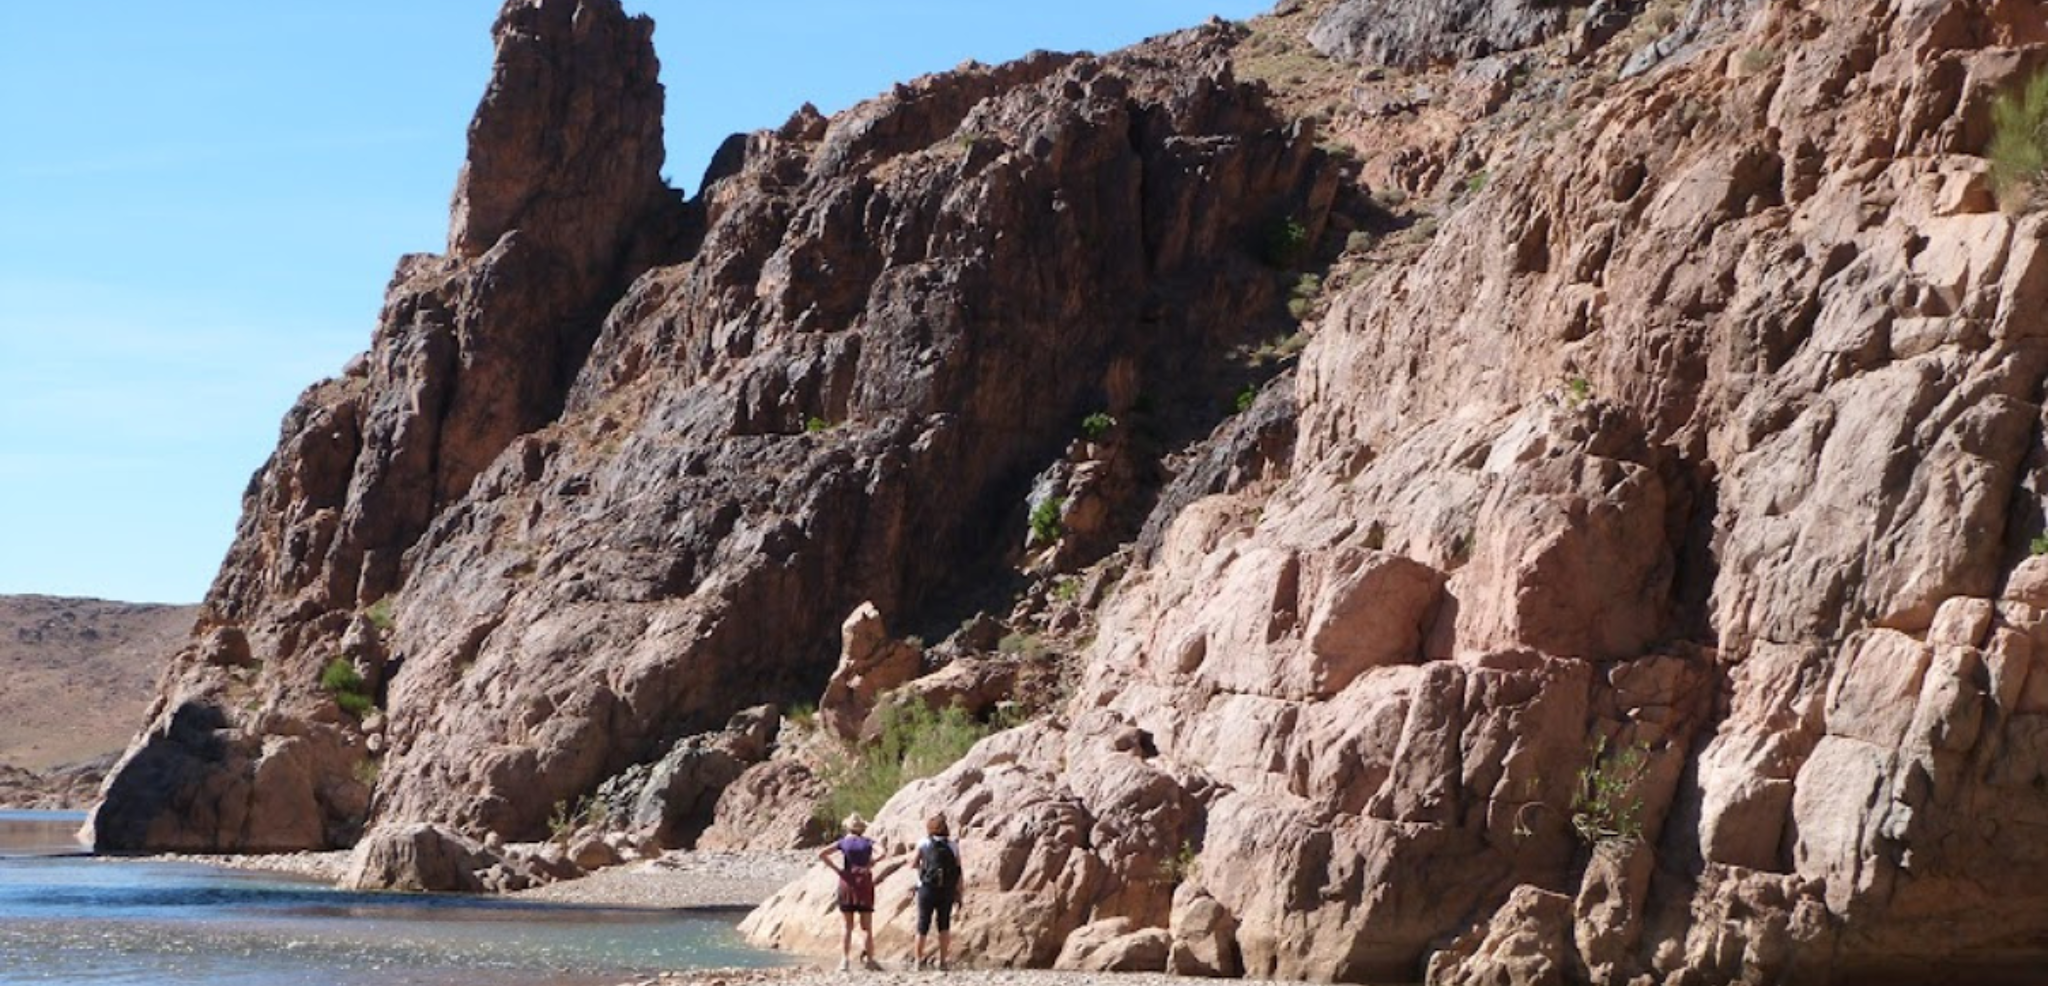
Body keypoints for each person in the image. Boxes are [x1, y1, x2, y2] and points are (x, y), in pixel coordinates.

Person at [818, 812, 879, 971]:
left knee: (847, 926)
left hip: (847, 882)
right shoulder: (868, 842)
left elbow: (822, 854)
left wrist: (838, 870)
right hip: (864, 883)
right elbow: (883, 851)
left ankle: (844, 961)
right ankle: (870, 961)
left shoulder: (843, 842)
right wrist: (871, 863)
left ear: (848, 828)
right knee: (866, 926)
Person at [912, 813, 965, 971]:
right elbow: (959, 871)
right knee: (944, 925)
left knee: (922, 925)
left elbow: (913, 864)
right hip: (946, 890)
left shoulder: (924, 843)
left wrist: (923, 870)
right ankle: (943, 962)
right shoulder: (953, 845)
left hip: (927, 888)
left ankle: (917, 961)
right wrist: (959, 892)